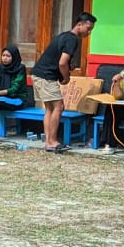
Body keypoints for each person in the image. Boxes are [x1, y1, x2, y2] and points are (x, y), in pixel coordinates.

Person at [31, 12, 97, 153]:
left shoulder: (64, 36)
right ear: (79, 25)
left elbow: (62, 60)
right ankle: (53, 141)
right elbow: (62, 63)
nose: (89, 32)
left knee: (50, 108)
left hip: (38, 74)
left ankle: (49, 142)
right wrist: (66, 78)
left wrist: (69, 66)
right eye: (88, 28)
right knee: (59, 107)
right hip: (46, 76)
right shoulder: (73, 40)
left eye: (91, 29)